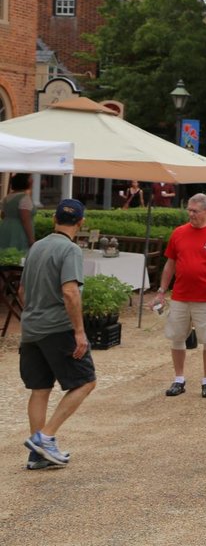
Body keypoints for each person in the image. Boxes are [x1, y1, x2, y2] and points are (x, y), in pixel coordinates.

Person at [18, 199, 96, 469]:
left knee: (40, 389)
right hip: (57, 328)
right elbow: (70, 292)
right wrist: (79, 331)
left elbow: (21, 293)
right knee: (86, 382)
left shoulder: (37, 247)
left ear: (54, 218)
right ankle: (45, 438)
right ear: (81, 222)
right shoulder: (70, 249)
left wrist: (33, 314)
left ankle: (37, 454)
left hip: (31, 328)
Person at [155, 194, 206, 398]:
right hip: (181, 295)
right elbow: (170, 263)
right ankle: (179, 379)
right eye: (189, 210)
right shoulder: (179, 233)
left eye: (195, 211)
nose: (190, 214)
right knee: (177, 337)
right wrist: (162, 290)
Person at [0, 172, 35, 252]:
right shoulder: (24, 198)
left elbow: (3, 215)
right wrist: (31, 239)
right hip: (19, 230)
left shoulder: (7, 197)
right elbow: (25, 219)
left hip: (5, 227)